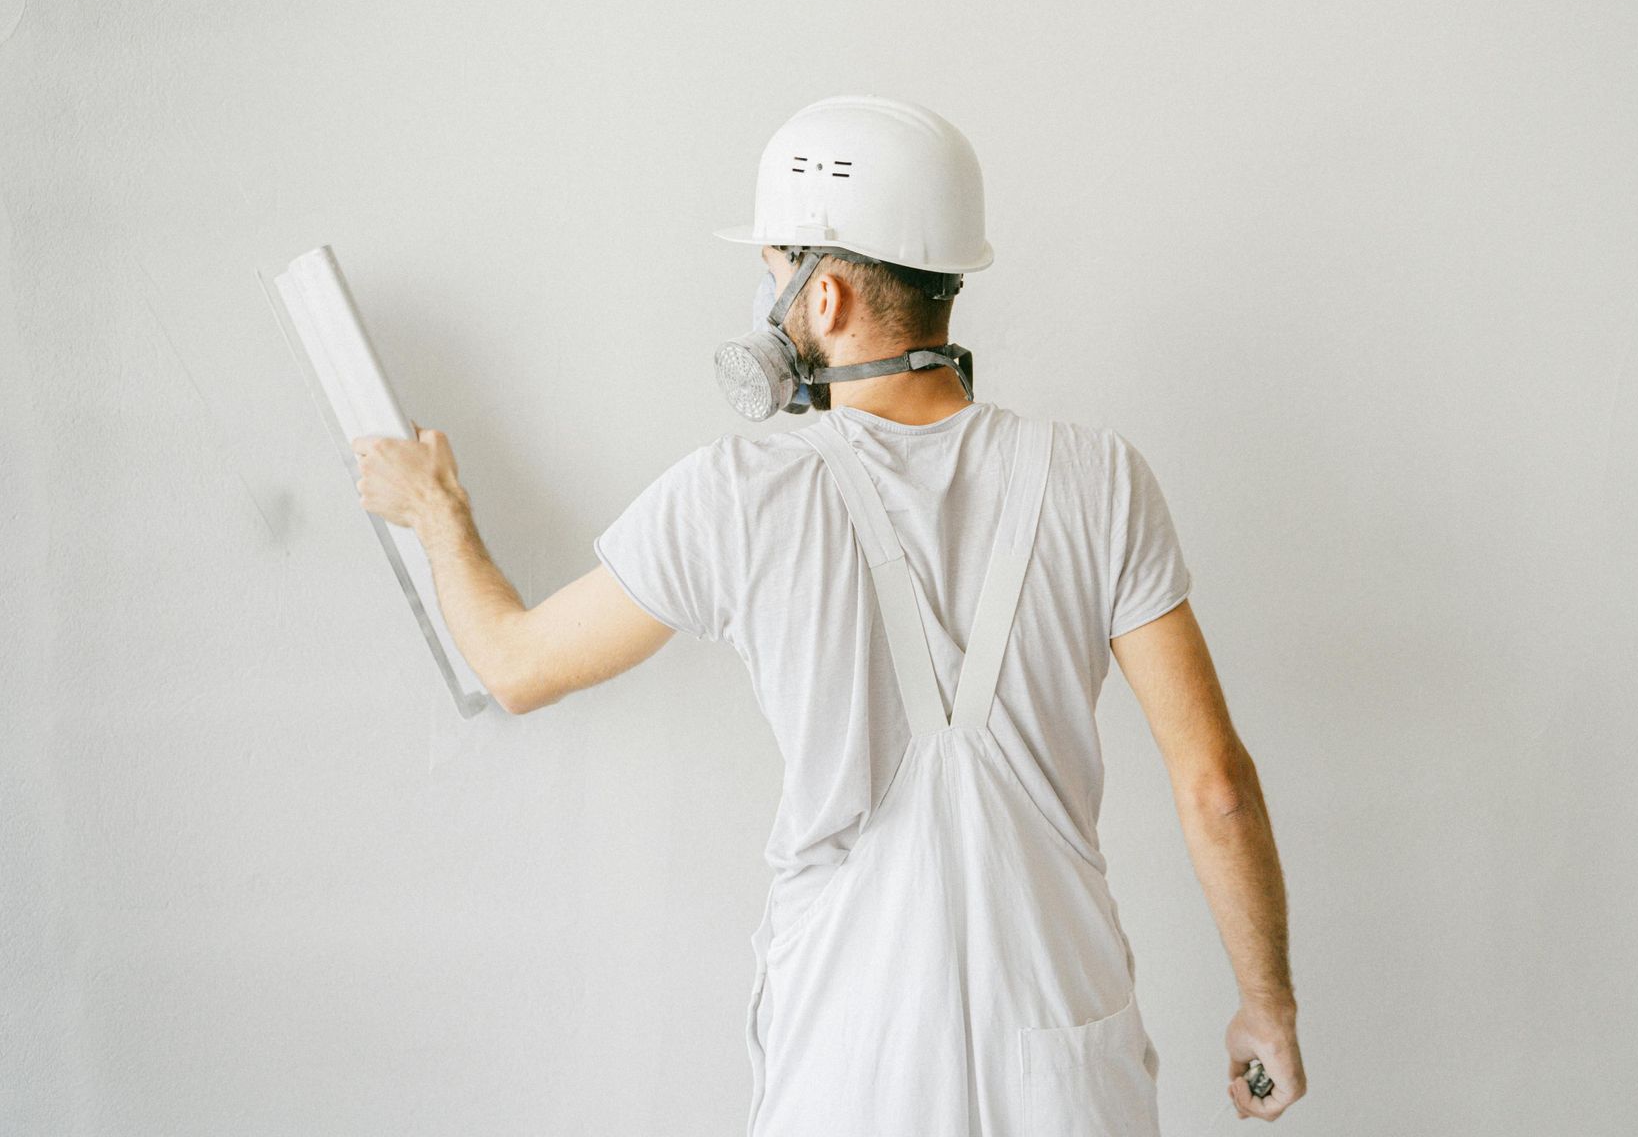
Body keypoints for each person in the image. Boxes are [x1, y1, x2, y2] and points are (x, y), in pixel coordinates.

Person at [350, 94, 1306, 1133]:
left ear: (830, 295)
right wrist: (1268, 1008)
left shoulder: (736, 492)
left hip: (855, 1062)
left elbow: (514, 663)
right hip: (1063, 1056)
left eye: (773, 277)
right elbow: (1215, 783)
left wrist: (435, 511)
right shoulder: (1100, 477)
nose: (768, 306)